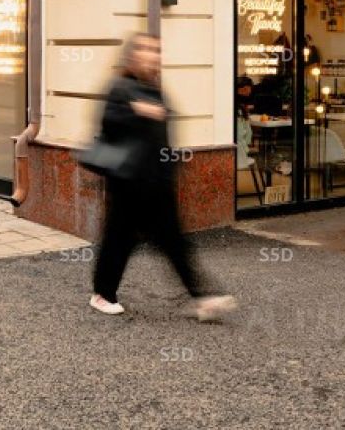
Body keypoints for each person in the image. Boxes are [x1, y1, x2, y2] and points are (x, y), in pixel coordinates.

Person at [90, 32, 237, 321]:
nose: (152, 55)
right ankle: (103, 294)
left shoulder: (155, 90)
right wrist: (135, 111)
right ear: (132, 56)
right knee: (119, 240)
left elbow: (162, 138)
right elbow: (108, 125)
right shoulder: (120, 88)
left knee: (174, 243)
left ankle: (201, 298)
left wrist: (170, 169)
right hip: (127, 183)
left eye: (156, 50)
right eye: (145, 49)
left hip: (156, 183)